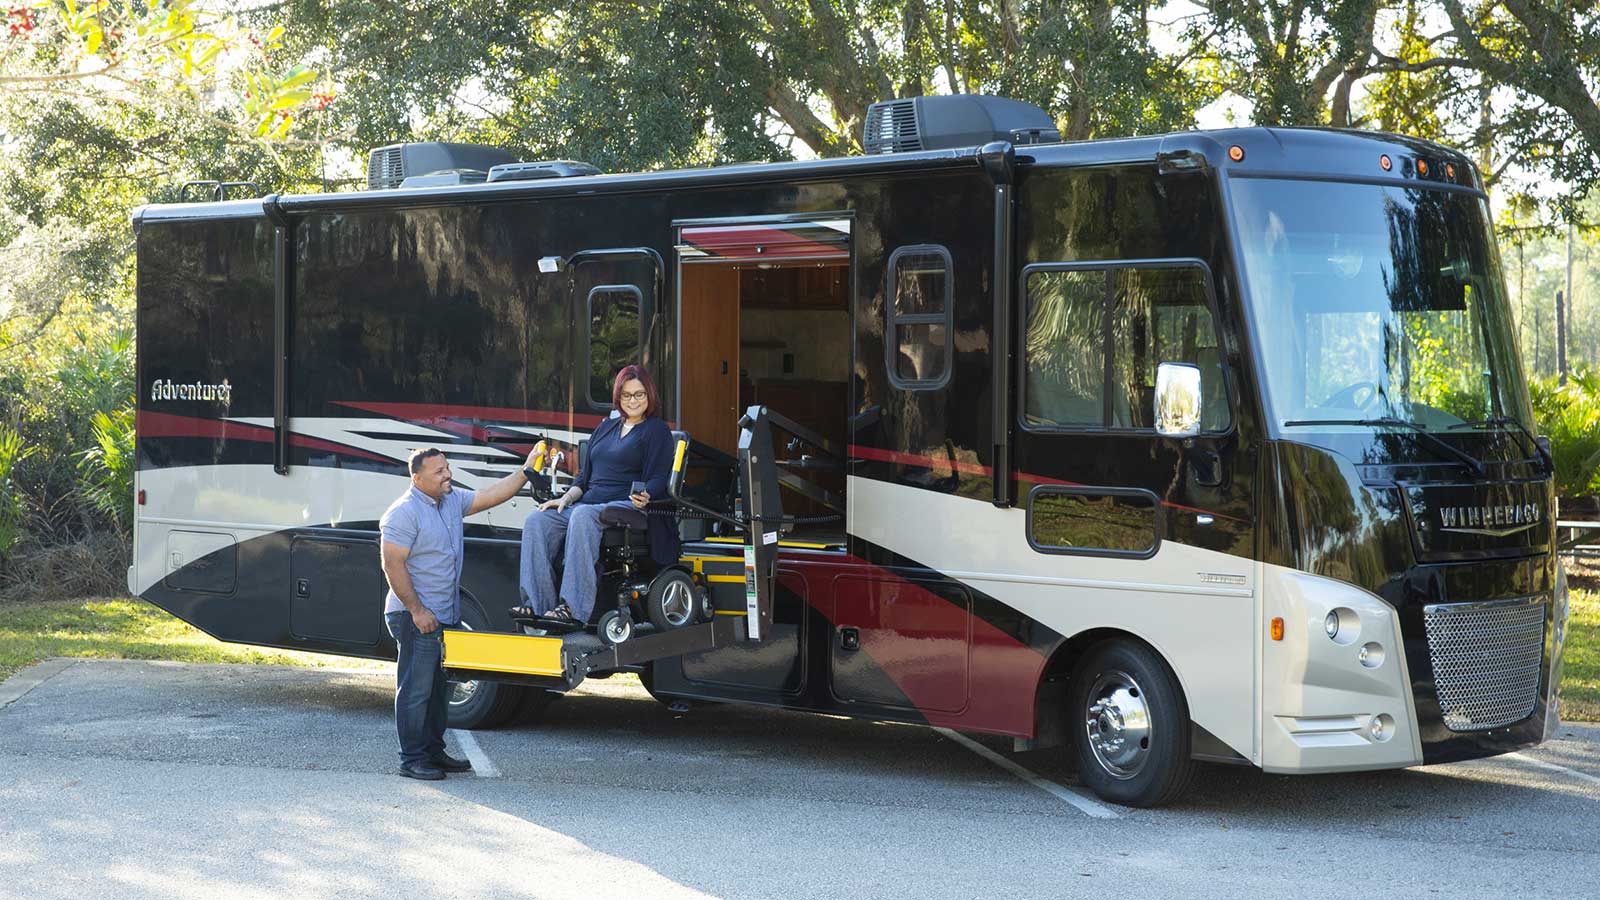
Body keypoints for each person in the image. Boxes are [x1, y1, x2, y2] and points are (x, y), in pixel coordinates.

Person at [380, 444, 543, 781]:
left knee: (440, 690)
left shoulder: (451, 500)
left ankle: (434, 752)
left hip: (445, 615)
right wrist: (417, 610)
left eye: (447, 467)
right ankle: (412, 759)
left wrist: (526, 470)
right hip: (415, 617)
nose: (448, 475)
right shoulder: (404, 512)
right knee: (416, 689)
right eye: (439, 471)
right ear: (417, 477)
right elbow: (391, 564)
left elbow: (490, 496)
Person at [513, 364, 678, 626]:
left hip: (626, 505)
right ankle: (537, 605)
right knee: (538, 520)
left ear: (649, 395)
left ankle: (572, 608)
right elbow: (584, 478)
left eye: (639, 394)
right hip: (588, 503)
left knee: (582, 515)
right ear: (618, 397)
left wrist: (647, 493)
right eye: (626, 395)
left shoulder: (656, 431)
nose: (633, 401)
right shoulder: (605, 428)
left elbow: (659, 477)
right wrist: (566, 498)